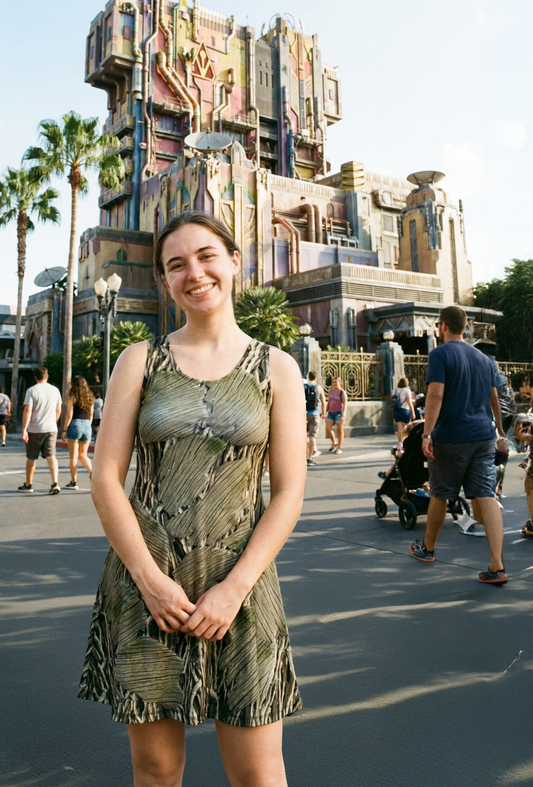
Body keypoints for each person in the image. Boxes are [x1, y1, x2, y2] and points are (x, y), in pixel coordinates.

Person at [78, 211, 306, 787]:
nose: (194, 273)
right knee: (156, 770)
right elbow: (106, 477)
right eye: (176, 265)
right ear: (164, 281)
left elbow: (288, 493)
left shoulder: (276, 367)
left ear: (234, 261)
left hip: (244, 588)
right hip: (149, 587)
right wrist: (151, 582)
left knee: (258, 771)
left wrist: (234, 589)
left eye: (207, 256)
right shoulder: (141, 360)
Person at [409, 306, 509, 584]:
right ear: (464, 326)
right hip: (484, 436)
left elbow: (435, 395)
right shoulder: (484, 358)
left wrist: (427, 434)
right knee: (486, 494)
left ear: (442, 326)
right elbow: (494, 399)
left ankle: (427, 549)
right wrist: (500, 432)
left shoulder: (440, 355)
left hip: (452, 437)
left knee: (440, 493)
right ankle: (497, 565)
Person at [19, 367, 62, 495]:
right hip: (51, 428)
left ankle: (29, 484)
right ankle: (55, 483)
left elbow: (28, 411)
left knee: (31, 457)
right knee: (51, 456)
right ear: (47, 376)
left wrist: (24, 429)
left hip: (35, 428)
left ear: (35, 377)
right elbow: (58, 409)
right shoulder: (55, 390)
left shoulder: (31, 391)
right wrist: (54, 421)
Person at [61, 376, 94, 490]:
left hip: (75, 424)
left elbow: (69, 415)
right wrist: (88, 425)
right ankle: (92, 474)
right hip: (87, 426)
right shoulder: (90, 396)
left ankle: (73, 482)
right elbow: (91, 414)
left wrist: (64, 430)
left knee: (73, 456)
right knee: (83, 455)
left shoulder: (73, 396)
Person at [305, 370, 326, 466]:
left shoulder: (304, 387)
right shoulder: (319, 388)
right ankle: (309, 458)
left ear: (308, 377)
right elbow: (323, 402)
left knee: (304, 436)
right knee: (312, 436)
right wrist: (323, 413)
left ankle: (303, 456)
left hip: (304, 414)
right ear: (316, 377)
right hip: (315, 414)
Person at [325, 377, 347, 453]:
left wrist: (343, 415)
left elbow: (345, 404)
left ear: (340, 383)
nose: (334, 384)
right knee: (327, 428)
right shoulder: (331, 391)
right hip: (331, 412)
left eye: (336, 382)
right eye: (333, 382)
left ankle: (339, 447)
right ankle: (334, 442)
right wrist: (325, 412)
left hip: (339, 412)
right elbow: (329, 402)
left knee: (339, 430)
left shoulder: (342, 392)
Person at [391, 377, 415, 442]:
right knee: (407, 427)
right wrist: (413, 412)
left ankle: (400, 442)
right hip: (404, 410)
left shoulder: (394, 390)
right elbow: (409, 402)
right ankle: (406, 440)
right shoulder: (407, 391)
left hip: (395, 410)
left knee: (399, 428)